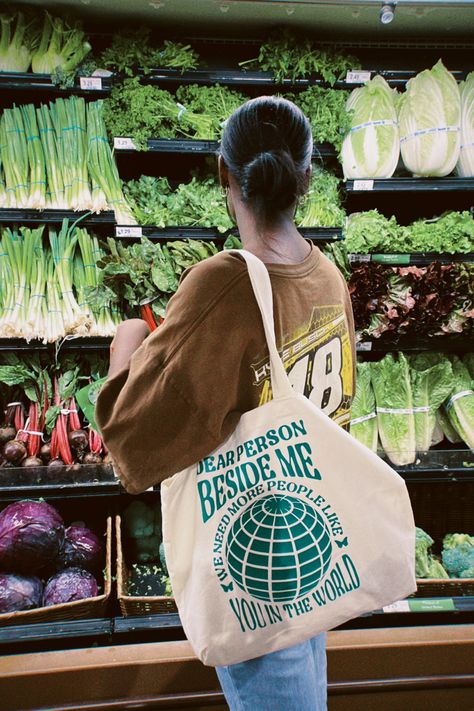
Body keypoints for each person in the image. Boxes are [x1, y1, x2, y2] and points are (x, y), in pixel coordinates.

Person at [96, 95, 356, 711]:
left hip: (253, 570)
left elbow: (133, 443)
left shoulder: (223, 282)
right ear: (308, 178)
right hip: (315, 549)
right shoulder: (329, 277)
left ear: (223, 175)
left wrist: (126, 347)